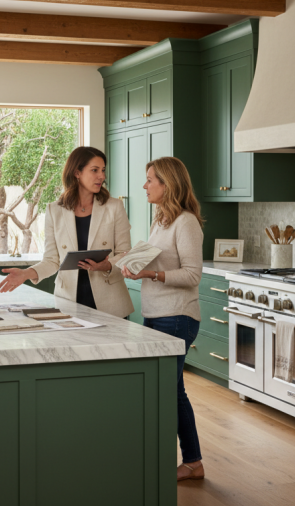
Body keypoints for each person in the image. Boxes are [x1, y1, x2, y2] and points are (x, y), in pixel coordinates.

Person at [121, 156, 205, 481]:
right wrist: (128, 267)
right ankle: (190, 461)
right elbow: (147, 261)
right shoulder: (162, 220)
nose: (144, 185)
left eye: (150, 179)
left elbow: (192, 275)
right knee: (170, 390)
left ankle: (191, 462)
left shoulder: (186, 222)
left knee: (169, 392)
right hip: (156, 316)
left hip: (177, 318)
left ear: (167, 184)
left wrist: (152, 274)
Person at [0, 146, 134, 318]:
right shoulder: (54, 210)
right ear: (77, 172)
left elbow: (125, 253)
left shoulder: (114, 207)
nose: (102, 176)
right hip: (69, 299)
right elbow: (52, 260)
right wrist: (26, 274)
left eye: (103, 170)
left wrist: (107, 265)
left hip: (110, 301)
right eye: (95, 170)